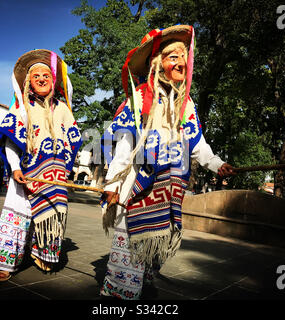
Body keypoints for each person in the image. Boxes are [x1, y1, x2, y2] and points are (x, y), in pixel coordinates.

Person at [99, 25, 235, 299]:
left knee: (156, 243)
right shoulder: (138, 99)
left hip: (168, 189)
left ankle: (141, 283)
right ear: (157, 63)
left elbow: (198, 145)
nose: (181, 62)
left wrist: (217, 164)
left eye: (183, 56)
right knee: (132, 243)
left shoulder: (187, 105)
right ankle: (119, 295)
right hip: (136, 185)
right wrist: (112, 183)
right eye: (172, 56)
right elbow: (124, 146)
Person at [0, 49, 82, 281]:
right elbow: (11, 141)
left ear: (54, 81)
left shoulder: (62, 109)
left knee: (53, 211)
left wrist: (66, 170)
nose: (41, 79)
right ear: (28, 81)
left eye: (46, 75)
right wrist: (15, 167)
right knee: (19, 213)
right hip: (26, 173)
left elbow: (72, 140)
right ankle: (6, 262)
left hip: (54, 175)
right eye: (36, 76)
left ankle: (43, 254)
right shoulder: (22, 107)